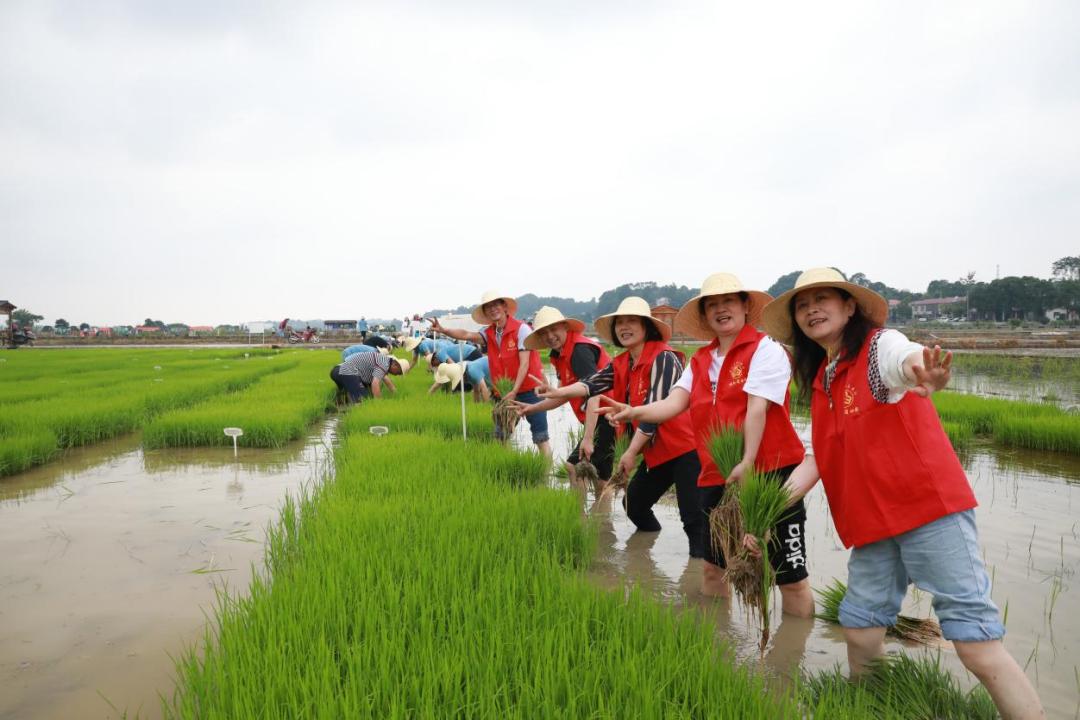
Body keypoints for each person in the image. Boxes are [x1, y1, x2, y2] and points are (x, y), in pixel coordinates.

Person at [760, 267, 1044, 720]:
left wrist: (924, 371)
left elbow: (906, 359)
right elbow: (820, 457)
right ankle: (869, 705)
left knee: (974, 641)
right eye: (801, 303)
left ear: (849, 306)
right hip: (873, 526)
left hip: (928, 512)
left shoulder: (878, 349)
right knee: (859, 627)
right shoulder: (822, 381)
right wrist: (765, 508)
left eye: (823, 298)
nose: (812, 309)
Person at [601, 275, 814, 612]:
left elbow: (756, 408)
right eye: (711, 304)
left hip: (771, 473)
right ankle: (718, 642)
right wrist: (633, 411)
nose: (720, 309)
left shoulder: (766, 349)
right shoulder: (700, 360)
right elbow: (673, 403)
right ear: (704, 315)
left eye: (728, 301)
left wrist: (747, 460)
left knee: (789, 577)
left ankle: (790, 660)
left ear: (745, 306)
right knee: (714, 569)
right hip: (715, 474)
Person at [534, 297, 703, 557]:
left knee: (693, 521)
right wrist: (557, 391)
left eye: (632, 321)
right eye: (620, 323)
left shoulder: (665, 359)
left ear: (647, 326)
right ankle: (644, 557)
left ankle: (700, 578)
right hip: (656, 452)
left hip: (685, 450)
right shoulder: (623, 362)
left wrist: (630, 452)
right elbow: (591, 384)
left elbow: (653, 414)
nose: (624, 327)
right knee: (633, 505)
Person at [429, 291, 551, 456]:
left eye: (496, 305)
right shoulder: (490, 333)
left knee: (540, 437)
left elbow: (525, 363)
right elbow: (466, 335)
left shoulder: (521, 329)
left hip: (530, 390)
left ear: (505, 307)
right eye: (488, 307)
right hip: (505, 390)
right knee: (501, 435)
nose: (493, 309)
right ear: (486, 313)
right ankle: (505, 465)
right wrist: (443, 330)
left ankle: (544, 475)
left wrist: (514, 391)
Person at [515, 306, 616, 491]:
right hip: (599, 417)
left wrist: (587, 438)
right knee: (582, 471)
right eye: (544, 333)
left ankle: (595, 518)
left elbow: (595, 393)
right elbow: (562, 396)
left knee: (595, 477)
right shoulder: (560, 354)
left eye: (553, 329)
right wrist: (532, 408)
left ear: (564, 327)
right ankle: (588, 516)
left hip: (608, 417)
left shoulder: (579, 351)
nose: (550, 336)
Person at [330, 352, 409, 403]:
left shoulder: (383, 361)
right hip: (346, 372)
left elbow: (388, 381)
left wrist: (397, 395)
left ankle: (339, 411)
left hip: (337, 371)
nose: (397, 375)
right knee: (364, 400)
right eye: (399, 372)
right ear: (395, 365)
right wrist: (379, 404)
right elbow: (375, 383)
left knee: (344, 399)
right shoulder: (384, 364)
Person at [428, 357, 492, 402]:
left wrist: (485, 407)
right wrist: (476, 408)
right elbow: (476, 391)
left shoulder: (472, 371)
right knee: (476, 389)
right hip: (487, 370)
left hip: (494, 366)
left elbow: (484, 389)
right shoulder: (455, 369)